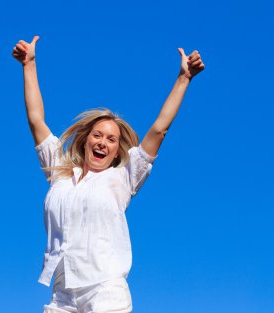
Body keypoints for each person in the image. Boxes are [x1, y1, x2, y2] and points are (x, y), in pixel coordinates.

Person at [12, 36, 205, 313]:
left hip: (105, 288)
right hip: (62, 291)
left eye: (111, 140)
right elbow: (36, 120)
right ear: (86, 141)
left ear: (117, 151)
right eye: (97, 135)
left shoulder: (123, 176)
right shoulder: (61, 171)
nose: (103, 142)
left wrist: (184, 78)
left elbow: (159, 130)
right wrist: (28, 65)